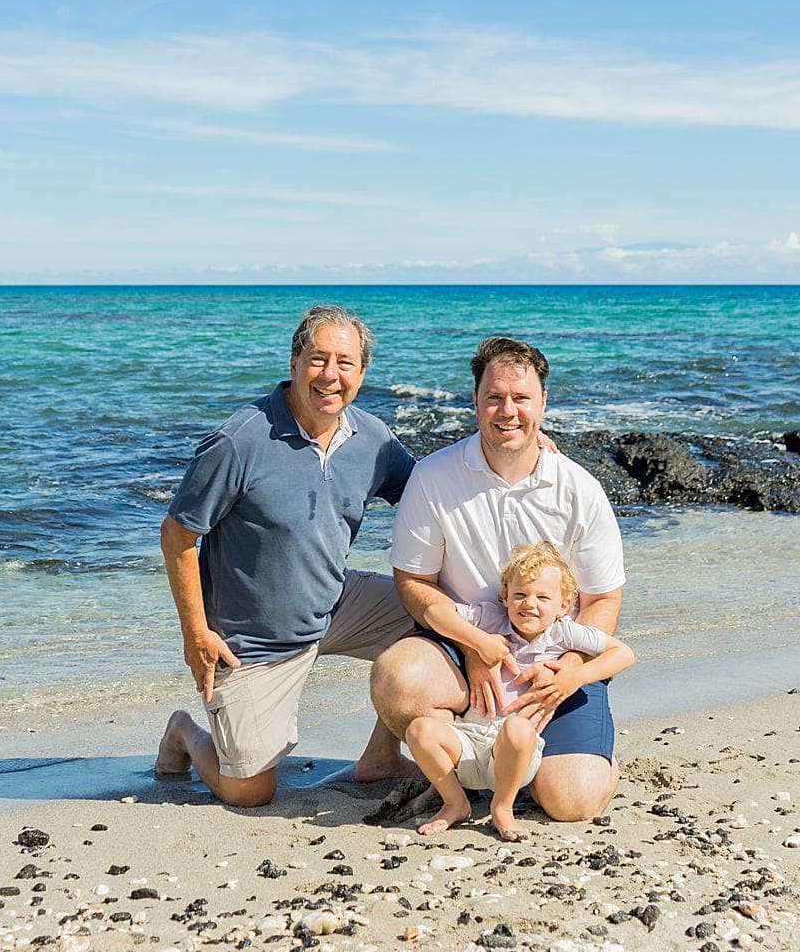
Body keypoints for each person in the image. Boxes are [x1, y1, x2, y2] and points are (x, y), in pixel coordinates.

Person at [155, 305, 416, 807]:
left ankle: (380, 757)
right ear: (294, 363)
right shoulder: (240, 440)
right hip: (251, 641)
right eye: (318, 359)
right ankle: (185, 731)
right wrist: (196, 634)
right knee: (248, 792)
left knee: (442, 618)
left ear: (362, 373)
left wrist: (519, 443)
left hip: (336, 604)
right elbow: (177, 537)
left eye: (345, 362)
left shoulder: (373, 440)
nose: (330, 375)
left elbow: (432, 494)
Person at [371, 335, 627, 823]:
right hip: (462, 642)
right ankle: (456, 773)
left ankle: (591, 760)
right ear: (475, 401)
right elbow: (413, 582)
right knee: (396, 677)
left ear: (543, 403)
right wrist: (471, 645)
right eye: (494, 397)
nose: (507, 410)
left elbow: (603, 598)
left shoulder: (580, 489)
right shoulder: (433, 476)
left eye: (521, 398)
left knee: (571, 802)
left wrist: (565, 667)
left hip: (554, 658)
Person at [404, 540, 634, 841]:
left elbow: (624, 654)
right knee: (420, 730)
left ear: (563, 606)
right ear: (505, 596)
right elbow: (435, 614)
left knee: (517, 729)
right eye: (520, 595)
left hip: (515, 753)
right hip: (469, 741)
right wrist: (478, 641)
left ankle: (502, 807)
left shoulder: (563, 633)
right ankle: (455, 803)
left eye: (543, 597)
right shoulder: (491, 619)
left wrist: (575, 676)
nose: (530, 604)